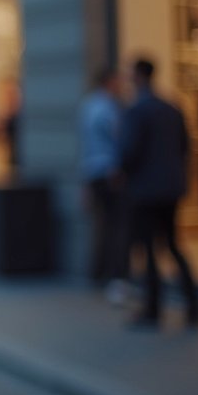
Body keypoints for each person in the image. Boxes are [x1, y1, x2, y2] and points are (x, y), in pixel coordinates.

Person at [119, 58, 198, 329]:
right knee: (173, 244)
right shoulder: (172, 107)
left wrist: (122, 173)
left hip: (146, 190)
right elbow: (184, 147)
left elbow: (129, 152)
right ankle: (193, 304)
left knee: (149, 249)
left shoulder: (138, 110)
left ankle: (153, 309)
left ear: (139, 76)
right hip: (171, 187)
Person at [78, 67, 127, 299]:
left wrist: (86, 182)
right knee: (116, 226)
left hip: (95, 173)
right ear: (109, 82)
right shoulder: (110, 108)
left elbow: (86, 147)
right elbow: (118, 140)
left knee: (104, 225)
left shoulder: (88, 107)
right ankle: (115, 277)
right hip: (110, 173)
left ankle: (98, 273)